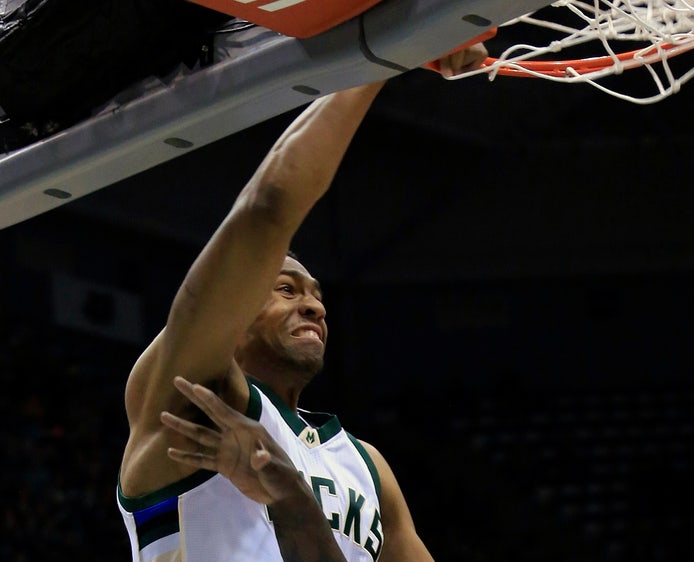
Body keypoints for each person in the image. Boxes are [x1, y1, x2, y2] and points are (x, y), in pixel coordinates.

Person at [116, 44, 489, 562]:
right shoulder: (193, 396)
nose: (315, 307)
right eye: (287, 289)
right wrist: (385, 52)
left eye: (317, 296)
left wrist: (288, 495)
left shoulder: (367, 467)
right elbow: (266, 210)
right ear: (235, 314)